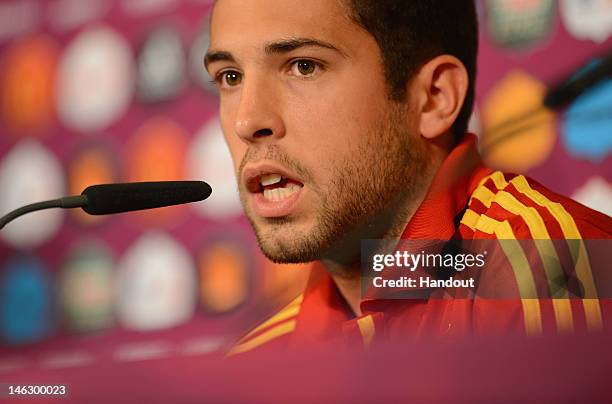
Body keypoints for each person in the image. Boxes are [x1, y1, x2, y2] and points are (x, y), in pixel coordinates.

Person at [203, 0, 612, 356]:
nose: (247, 120)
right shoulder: (260, 362)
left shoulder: (542, 271)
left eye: (303, 66)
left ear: (434, 97)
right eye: (230, 77)